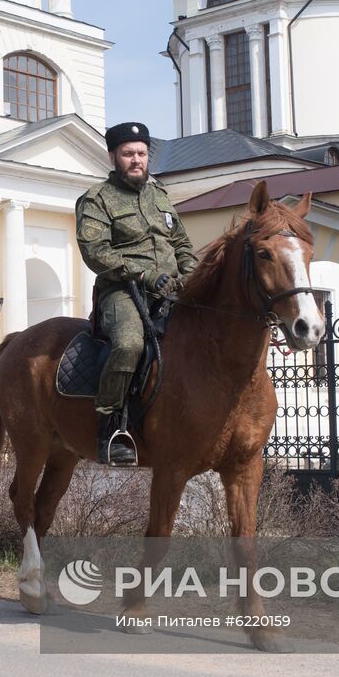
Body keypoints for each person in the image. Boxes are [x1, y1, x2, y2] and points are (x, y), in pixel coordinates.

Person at [74, 122, 197, 465]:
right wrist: (142, 273)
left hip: (170, 289)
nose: (136, 160)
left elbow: (181, 244)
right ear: (113, 156)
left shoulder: (159, 196)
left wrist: (190, 272)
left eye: (141, 153)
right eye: (128, 153)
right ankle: (110, 427)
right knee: (130, 344)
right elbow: (94, 251)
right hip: (122, 291)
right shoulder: (97, 199)